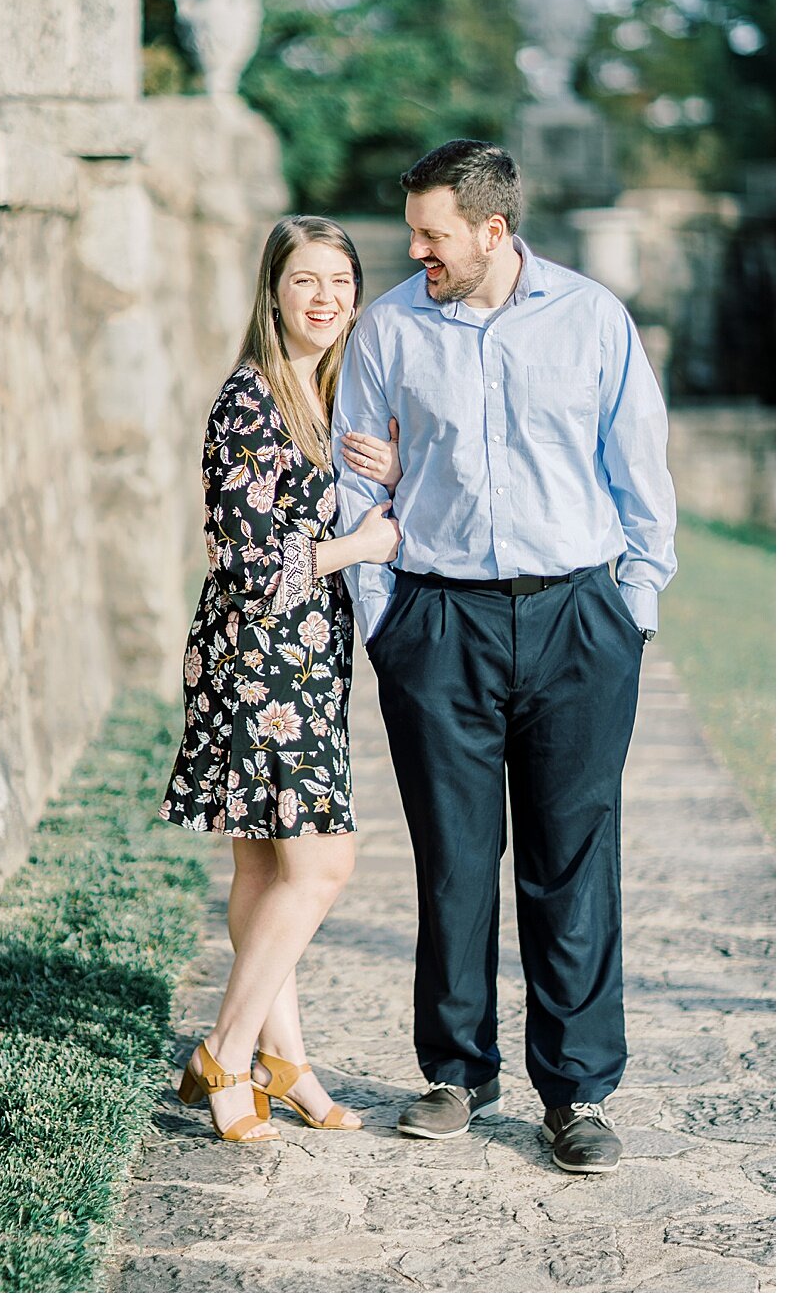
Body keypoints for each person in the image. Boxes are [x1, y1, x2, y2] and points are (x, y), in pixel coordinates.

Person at [332, 140, 677, 1175]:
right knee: (452, 853)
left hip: (577, 619)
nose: (414, 248)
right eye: (412, 230)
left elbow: (639, 467)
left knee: (572, 857)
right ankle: (455, 1068)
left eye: (433, 232)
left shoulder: (591, 319)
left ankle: (576, 1090)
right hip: (439, 624)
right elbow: (360, 478)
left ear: (493, 228)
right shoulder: (391, 327)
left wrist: (633, 611)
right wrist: (388, 622)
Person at [160, 215, 401, 1143]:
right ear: (273, 292)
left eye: (341, 281)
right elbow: (254, 568)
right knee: (322, 861)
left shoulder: (329, 396)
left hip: (307, 661)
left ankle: (283, 1060)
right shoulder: (248, 403)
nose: (326, 298)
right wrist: (363, 542)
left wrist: (390, 468)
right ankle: (224, 1050)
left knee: (264, 863)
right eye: (306, 280)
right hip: (259, 658)